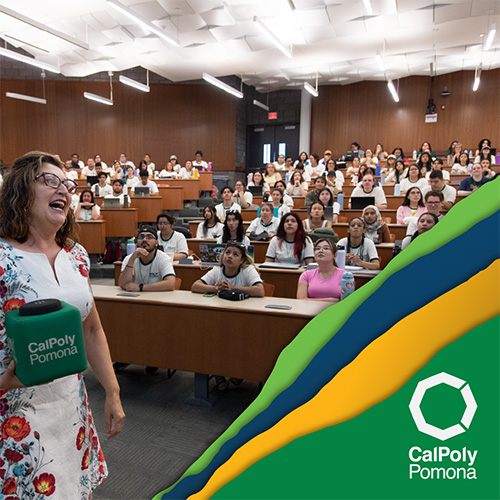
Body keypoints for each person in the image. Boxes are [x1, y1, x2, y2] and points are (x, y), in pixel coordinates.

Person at [0, 151, 124, 497]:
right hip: (14, 411)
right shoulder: (2, 258)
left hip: (70, 407)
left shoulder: (77, 256)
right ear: (21, 192)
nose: (65, 191)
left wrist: (112, 392)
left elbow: (91, 329)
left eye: (67, 184)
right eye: (50, 181)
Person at [192, 242, 264, 297]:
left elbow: (260, 291)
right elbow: (195, 286)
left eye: (235, 254)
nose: (230, 256)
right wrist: (217, 288)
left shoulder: (248, 270)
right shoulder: (217, 269)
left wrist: (233, 288)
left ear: (242, 260)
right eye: (227, 252)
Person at [119, 226, 176, 292]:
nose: (144, 240)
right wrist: (132, 259)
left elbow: (170, 284)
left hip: (158, 298)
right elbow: (123, 284)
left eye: (149, 237)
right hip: (136, 299)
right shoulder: (130, 258)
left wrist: (140, 287)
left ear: (156, 243)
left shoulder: (163, 258)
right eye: (141, 237)